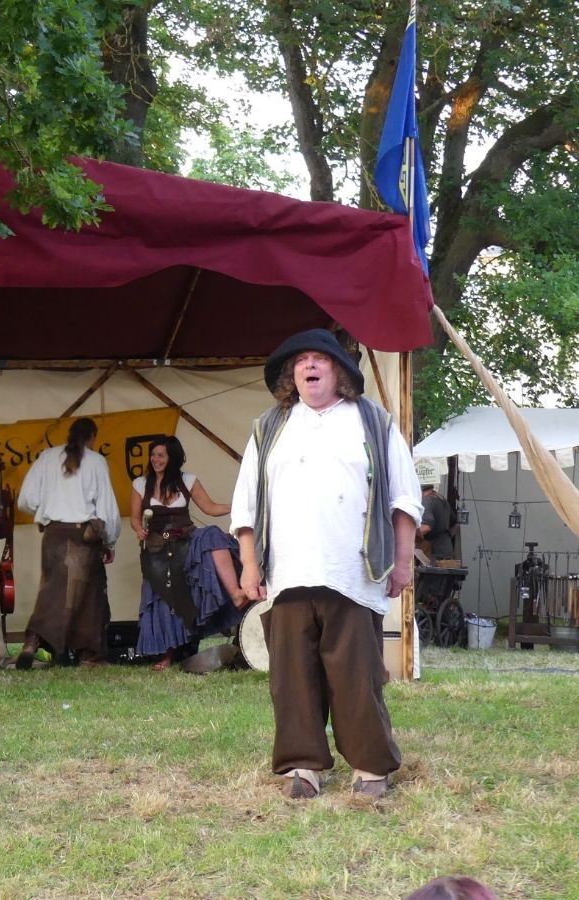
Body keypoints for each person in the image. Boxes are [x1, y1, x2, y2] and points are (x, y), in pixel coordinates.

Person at [229, 328, 421, 800]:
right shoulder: (269, 427)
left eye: (320, 359)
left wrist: (402, 561)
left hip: (352, 574)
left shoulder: (373, 422)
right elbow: (246, 507)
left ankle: (370, 767)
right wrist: (249, 566)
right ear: (291, 376)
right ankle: (302, 766)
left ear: (340, 371)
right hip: (289, 572)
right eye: (300, 361)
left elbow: (403, 498)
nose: (309, 366)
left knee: (356, 674)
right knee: (291, 676)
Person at [130, 436, 249, 671]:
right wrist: (138, 528)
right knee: (164, 598)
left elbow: (211, 508)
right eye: (153, 455)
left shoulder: (188, 480)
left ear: (172, 457)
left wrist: (239, 506)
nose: (155, 459)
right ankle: (166, 655)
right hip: (156, 548)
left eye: (161, 455)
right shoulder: (140, 483)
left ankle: (236, 593)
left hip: (186, 541)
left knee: (213, 536)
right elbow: (134, 517)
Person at [15, 417, 120, 669]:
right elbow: (107, 507)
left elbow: (25, 500)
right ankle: (88, 655)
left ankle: (33, 641)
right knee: (89, 598)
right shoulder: (96, 461)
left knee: (52, 590)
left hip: (53, 535)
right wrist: (111, 541)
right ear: (92, 438)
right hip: (83, 538)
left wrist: (45, 511)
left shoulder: (47, 457)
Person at [418, 483, 456, 561]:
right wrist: (446, 537)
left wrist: (410, 535)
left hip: (433, 553)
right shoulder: (442, 499)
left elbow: (427, 527)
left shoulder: (426, 501)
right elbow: (455, 523)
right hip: (446, 549)